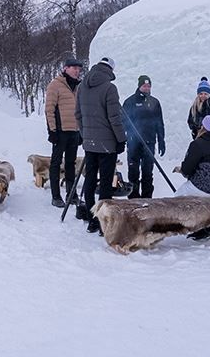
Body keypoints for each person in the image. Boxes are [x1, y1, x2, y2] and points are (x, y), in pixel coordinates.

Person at [74, 57, 126, 233]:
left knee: (89, 180)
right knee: (105, 182)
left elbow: (78, 114)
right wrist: (121, 139)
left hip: (90, 143)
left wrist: (85, 134)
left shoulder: (82, 86)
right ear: (110, 70)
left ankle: (92, 220)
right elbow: (114, 118)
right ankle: (104, 222)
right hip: (107, 144)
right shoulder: (110, 88)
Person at [44, 57, 84, 208]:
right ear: (66, 68)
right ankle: (56, 196)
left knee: (70, 164)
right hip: (60, 132)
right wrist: (52, 130)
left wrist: (81, 130)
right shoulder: (55, 85)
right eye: (74, 68)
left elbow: (81, 110)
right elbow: (49, 109)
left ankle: (71, 195)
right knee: (56, 163)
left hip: (74, 131)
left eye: (79, 69)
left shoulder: (78, 87)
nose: (77, 71)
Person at [120, 74, 166, 198]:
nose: (146, 88)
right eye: (144, 86)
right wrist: (126, 136)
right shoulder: (130, 102)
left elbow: (159, 123)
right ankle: (133, 197)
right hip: (134, 142)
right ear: (139, 86)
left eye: (148, 86)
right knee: (133, 172)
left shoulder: (154, 102)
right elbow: (122, 121)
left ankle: (147, 198)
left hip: (149, 142)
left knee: (147, 172)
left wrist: (161, 141)